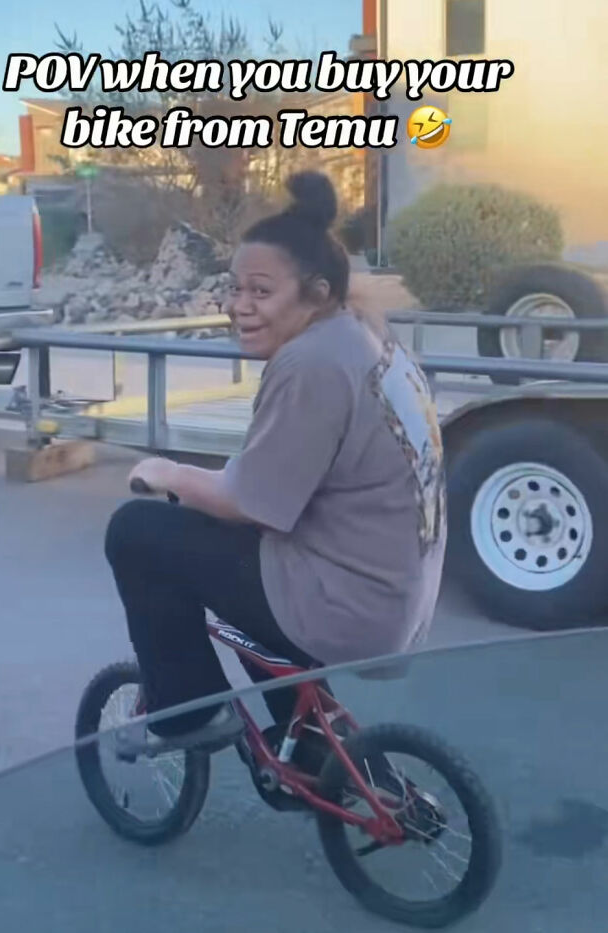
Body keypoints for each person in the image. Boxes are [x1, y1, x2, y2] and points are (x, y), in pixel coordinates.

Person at [105, 171, 447, 759]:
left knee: (136, 532)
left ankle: (187, 711)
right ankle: (313, 748)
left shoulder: (312, 364)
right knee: (234, 568)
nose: (240, 307)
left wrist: (168, 473)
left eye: (261, 292)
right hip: (394, 597)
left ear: (314, 293)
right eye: (235, 289)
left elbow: (251, 504)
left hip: (346, 605)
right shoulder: (362, 333)